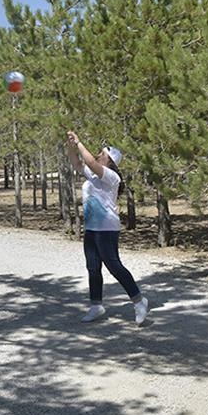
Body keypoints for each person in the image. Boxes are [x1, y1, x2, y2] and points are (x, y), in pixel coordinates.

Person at [66, 131, 149, 325]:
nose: (97, 155)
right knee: (93, 267)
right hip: (91, 228)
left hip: (107, 229)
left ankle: (139, 301)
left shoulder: (112, 177)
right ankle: (96, 305)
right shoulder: (94, 177)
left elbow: (91, 163)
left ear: (110, 161)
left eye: (101, 154)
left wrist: (79, 143)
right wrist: (71, 146)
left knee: (114, 265)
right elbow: (77, 163)